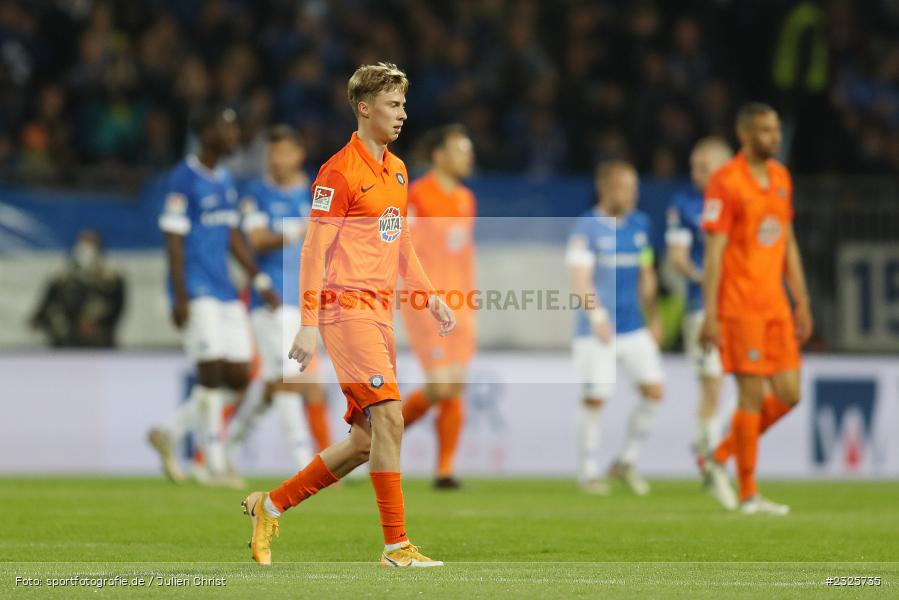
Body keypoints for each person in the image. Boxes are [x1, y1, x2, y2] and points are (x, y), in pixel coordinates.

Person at [241, 62, 455, 567]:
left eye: (404, 104)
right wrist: (310, 322)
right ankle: (396, 546)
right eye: (393, 105)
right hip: (344, 311)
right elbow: (314, 250)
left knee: (364, 441)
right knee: (390, 419)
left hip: (380, 314)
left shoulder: (398, 170)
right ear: (365, 108)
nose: (403, 114)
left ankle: (270, 505)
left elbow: (399, 240)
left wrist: (429, 295)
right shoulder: (337, 172)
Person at [148, 106, 279, 485]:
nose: (234, 135)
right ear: (205, 132)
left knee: (238, 376)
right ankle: (213, 464)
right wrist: (180, 295)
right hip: (196, 288)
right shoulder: (183, 178)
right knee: (209, 374)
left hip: (224, 288)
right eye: (227, 128)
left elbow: (233, 235)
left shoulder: (223, 178)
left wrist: (258, 279)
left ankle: (170, 431)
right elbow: (173, 240)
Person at [700, 103, 813, 515]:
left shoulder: (781, 178)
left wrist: (801, 299)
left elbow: (787, 243)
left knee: (789, 394)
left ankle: (718, 454)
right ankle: (748, 493)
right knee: (750, 394)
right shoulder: (726, 181)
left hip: (776, 306)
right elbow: (715, 251)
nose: (774, 137)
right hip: (740, 305)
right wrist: (710, 313)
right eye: (765, 130)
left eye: (776, 129)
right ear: (744, 135)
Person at [226, 124, 331, 471]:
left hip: (307, 303)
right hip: (270, 299)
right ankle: (309, 462)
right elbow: (256, 240)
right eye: (272, 152)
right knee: (290, 380)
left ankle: (223, 447)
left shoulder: (317, 193)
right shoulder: (255, 193)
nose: (276, 159)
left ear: (298, 155)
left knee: (279, 383)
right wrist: (296, 230)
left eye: (284, 151)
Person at [566, 160, 665, 496]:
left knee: (654, 391)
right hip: (597, 330)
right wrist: (596, 317)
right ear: (606, 188)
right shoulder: (587, 228)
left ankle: (626, 460)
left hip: (633, 326)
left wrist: (654, 316)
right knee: (595, 397)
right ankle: (588, 470)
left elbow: (647, 273)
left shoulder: (640, 224)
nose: (633, 193)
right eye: (626, 187)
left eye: (634, 186)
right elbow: (580, 279)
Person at [400, 124, 477, 490]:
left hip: (460, 304)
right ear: (439, 156)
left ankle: (445, 470)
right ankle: (378, 436)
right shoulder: (417, 194)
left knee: (455, 385)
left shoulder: (465, 199)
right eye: (460, 149)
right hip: (425, 303)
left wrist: (470, 303)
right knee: (441, 384)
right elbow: (405, 248)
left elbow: (464, 256)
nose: (468, 156)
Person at [665, 138, 733, 477]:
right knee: (712, 382)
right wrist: (703, 277)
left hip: (740, 306)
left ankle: (710, 445)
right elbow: (678, 258)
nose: (695, 174)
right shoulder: (684, 203)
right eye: (693, 166)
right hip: (702, 309)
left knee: (744, 385)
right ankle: (711, 455)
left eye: (702, 167)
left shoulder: (738, 200)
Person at [30, 229, 125, 348]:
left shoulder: (111, 279)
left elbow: (117, 307)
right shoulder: (62, 277)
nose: (88, 248)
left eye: (92, 243)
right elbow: (46, 304)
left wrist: (97, 322)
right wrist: (38, 319)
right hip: (64, 344)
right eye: (85, 242)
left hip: (99, 344)